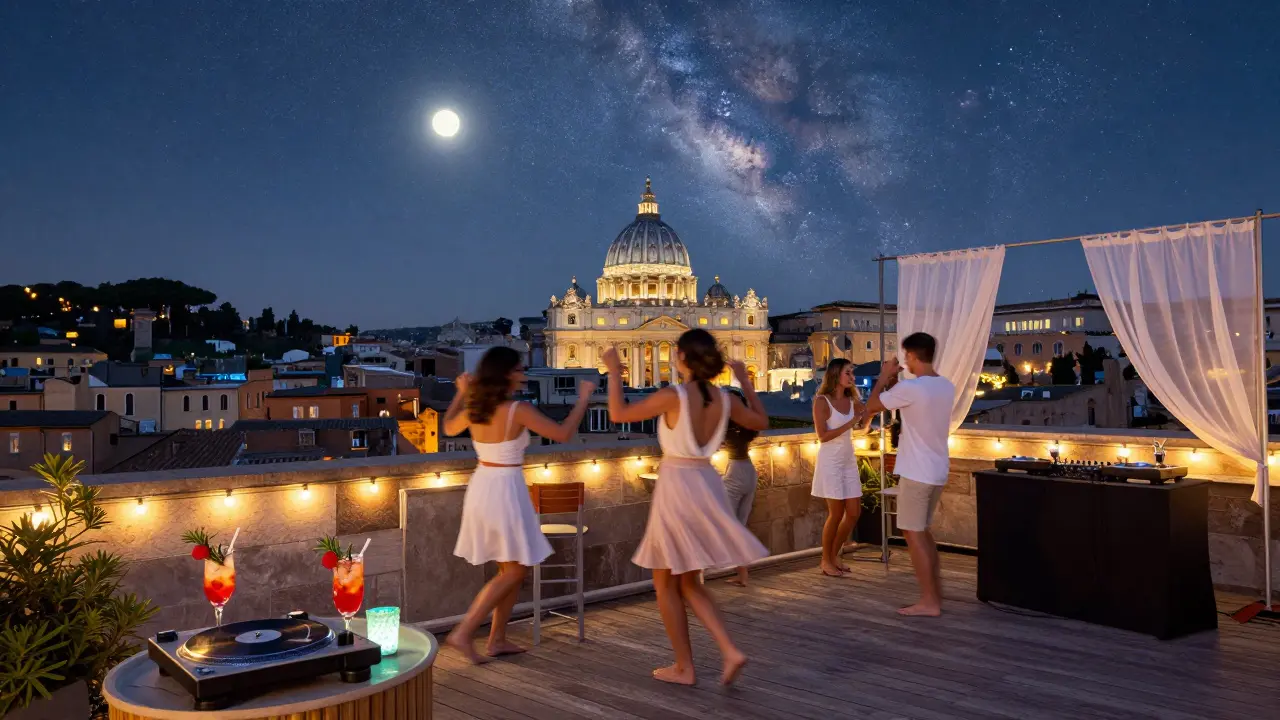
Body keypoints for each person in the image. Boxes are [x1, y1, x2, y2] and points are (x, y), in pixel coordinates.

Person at [602, 329, 769, 686]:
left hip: (677, 485)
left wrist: (616, 371)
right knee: (690, 580)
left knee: (665, 580)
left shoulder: (673, 395)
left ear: (681, 357)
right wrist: (745, 382)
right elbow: (761, 422)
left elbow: (616, 413)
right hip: (706, 482)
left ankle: (684, 666)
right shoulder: (726, 399)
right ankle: (728, 649)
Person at [442, 347, 596, 663]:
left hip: (484, 484)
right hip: (506, 489)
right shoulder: (517, 409)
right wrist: (583, 398)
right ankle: (464, 630)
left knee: (510, 566)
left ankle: (497, 639)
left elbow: (447, 428)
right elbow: (564, 433)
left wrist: (461, 394)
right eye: (518, 369)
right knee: (514, 570)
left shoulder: (477, 408)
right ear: (505, 374)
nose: (523, 374)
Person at [861, 332, 955, 617]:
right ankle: (935, 594)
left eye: (906, 357)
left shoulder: (913, 389)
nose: (904, 362)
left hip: (917, 471)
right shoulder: (945, 386)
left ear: (913, 356)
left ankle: (929, 601)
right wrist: (892, 383)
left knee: (913, 535)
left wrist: (882, 376)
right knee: (923, 534)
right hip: (938, 468)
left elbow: (871, 406)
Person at [811, 359, 867, 577]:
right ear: (836, 374)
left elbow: (863, 424)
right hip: (830, 462)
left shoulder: (853, 401)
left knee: (853, 513)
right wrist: (851, 422)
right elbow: (822, 436)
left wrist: (863, 419)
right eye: (848, 373)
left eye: (853, 373)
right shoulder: (821, 401)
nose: (852, 377)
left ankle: (833, 556)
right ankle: (826, 560)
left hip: (847, 461)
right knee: (836, 513)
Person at [720, 385, 760, 587]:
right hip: (749, 472)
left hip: (736, 474)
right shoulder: (746, 425)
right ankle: (742, 575)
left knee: (718, 525)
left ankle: (693, 577)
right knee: (739, 527)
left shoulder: (727, 425)